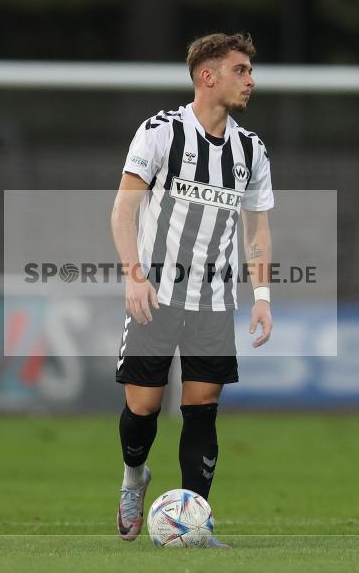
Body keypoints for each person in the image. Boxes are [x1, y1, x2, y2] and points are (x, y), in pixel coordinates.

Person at [111, 32, 274, 547]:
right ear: (209, 75)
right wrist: (134, 275)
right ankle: (134, 479)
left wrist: (263, 297)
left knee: (202, 408)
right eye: (241, 70)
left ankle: (195, 523)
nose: (250, 80)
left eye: (250, 70)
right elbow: (123, 209)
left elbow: (257, 230)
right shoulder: (160, 133)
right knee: (143, 407)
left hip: (214, 301)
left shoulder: (251, 149)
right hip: (156, 294)